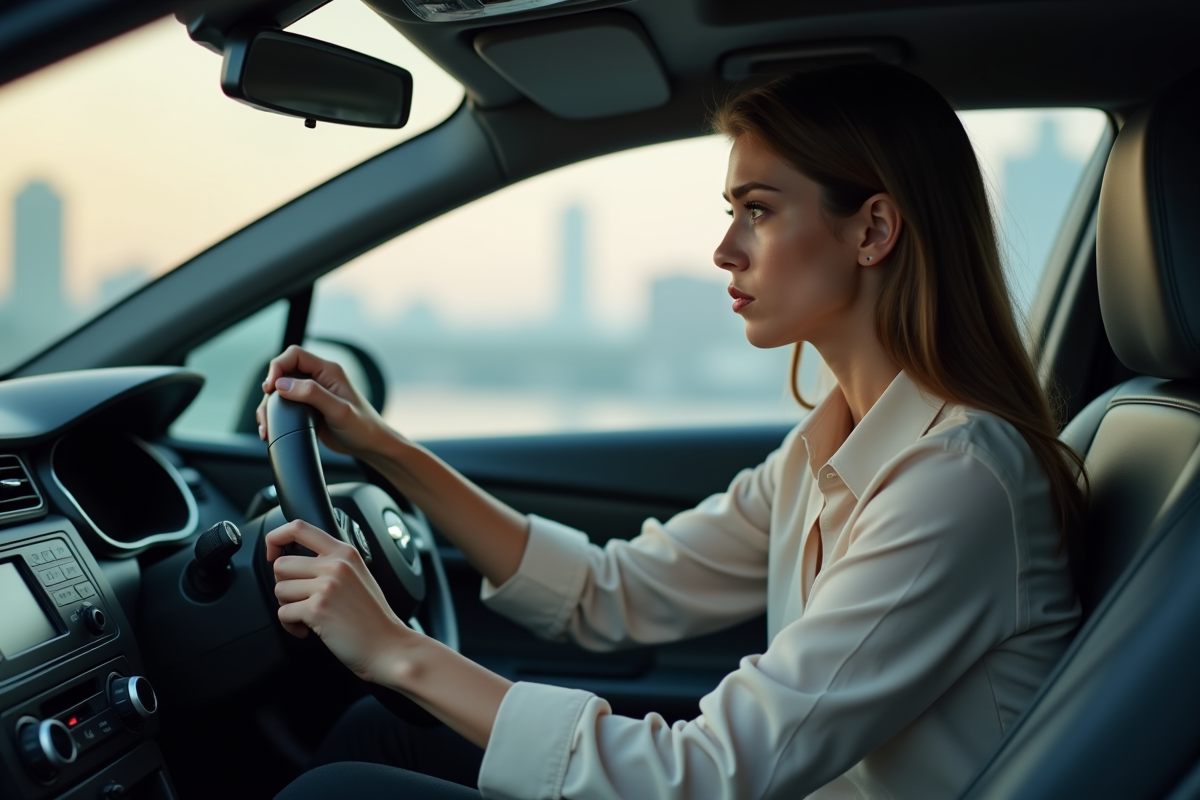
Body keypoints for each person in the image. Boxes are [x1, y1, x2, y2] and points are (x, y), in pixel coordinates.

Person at [261, 64, 1085, 800]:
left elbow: (706, 776)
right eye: (732, 212)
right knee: (386, 733)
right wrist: (383, 449)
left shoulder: (957, 481)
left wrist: (394, 648)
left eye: (758, 211)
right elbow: (606, 593)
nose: (725, 249)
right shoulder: (828, 445)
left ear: (872, 231)